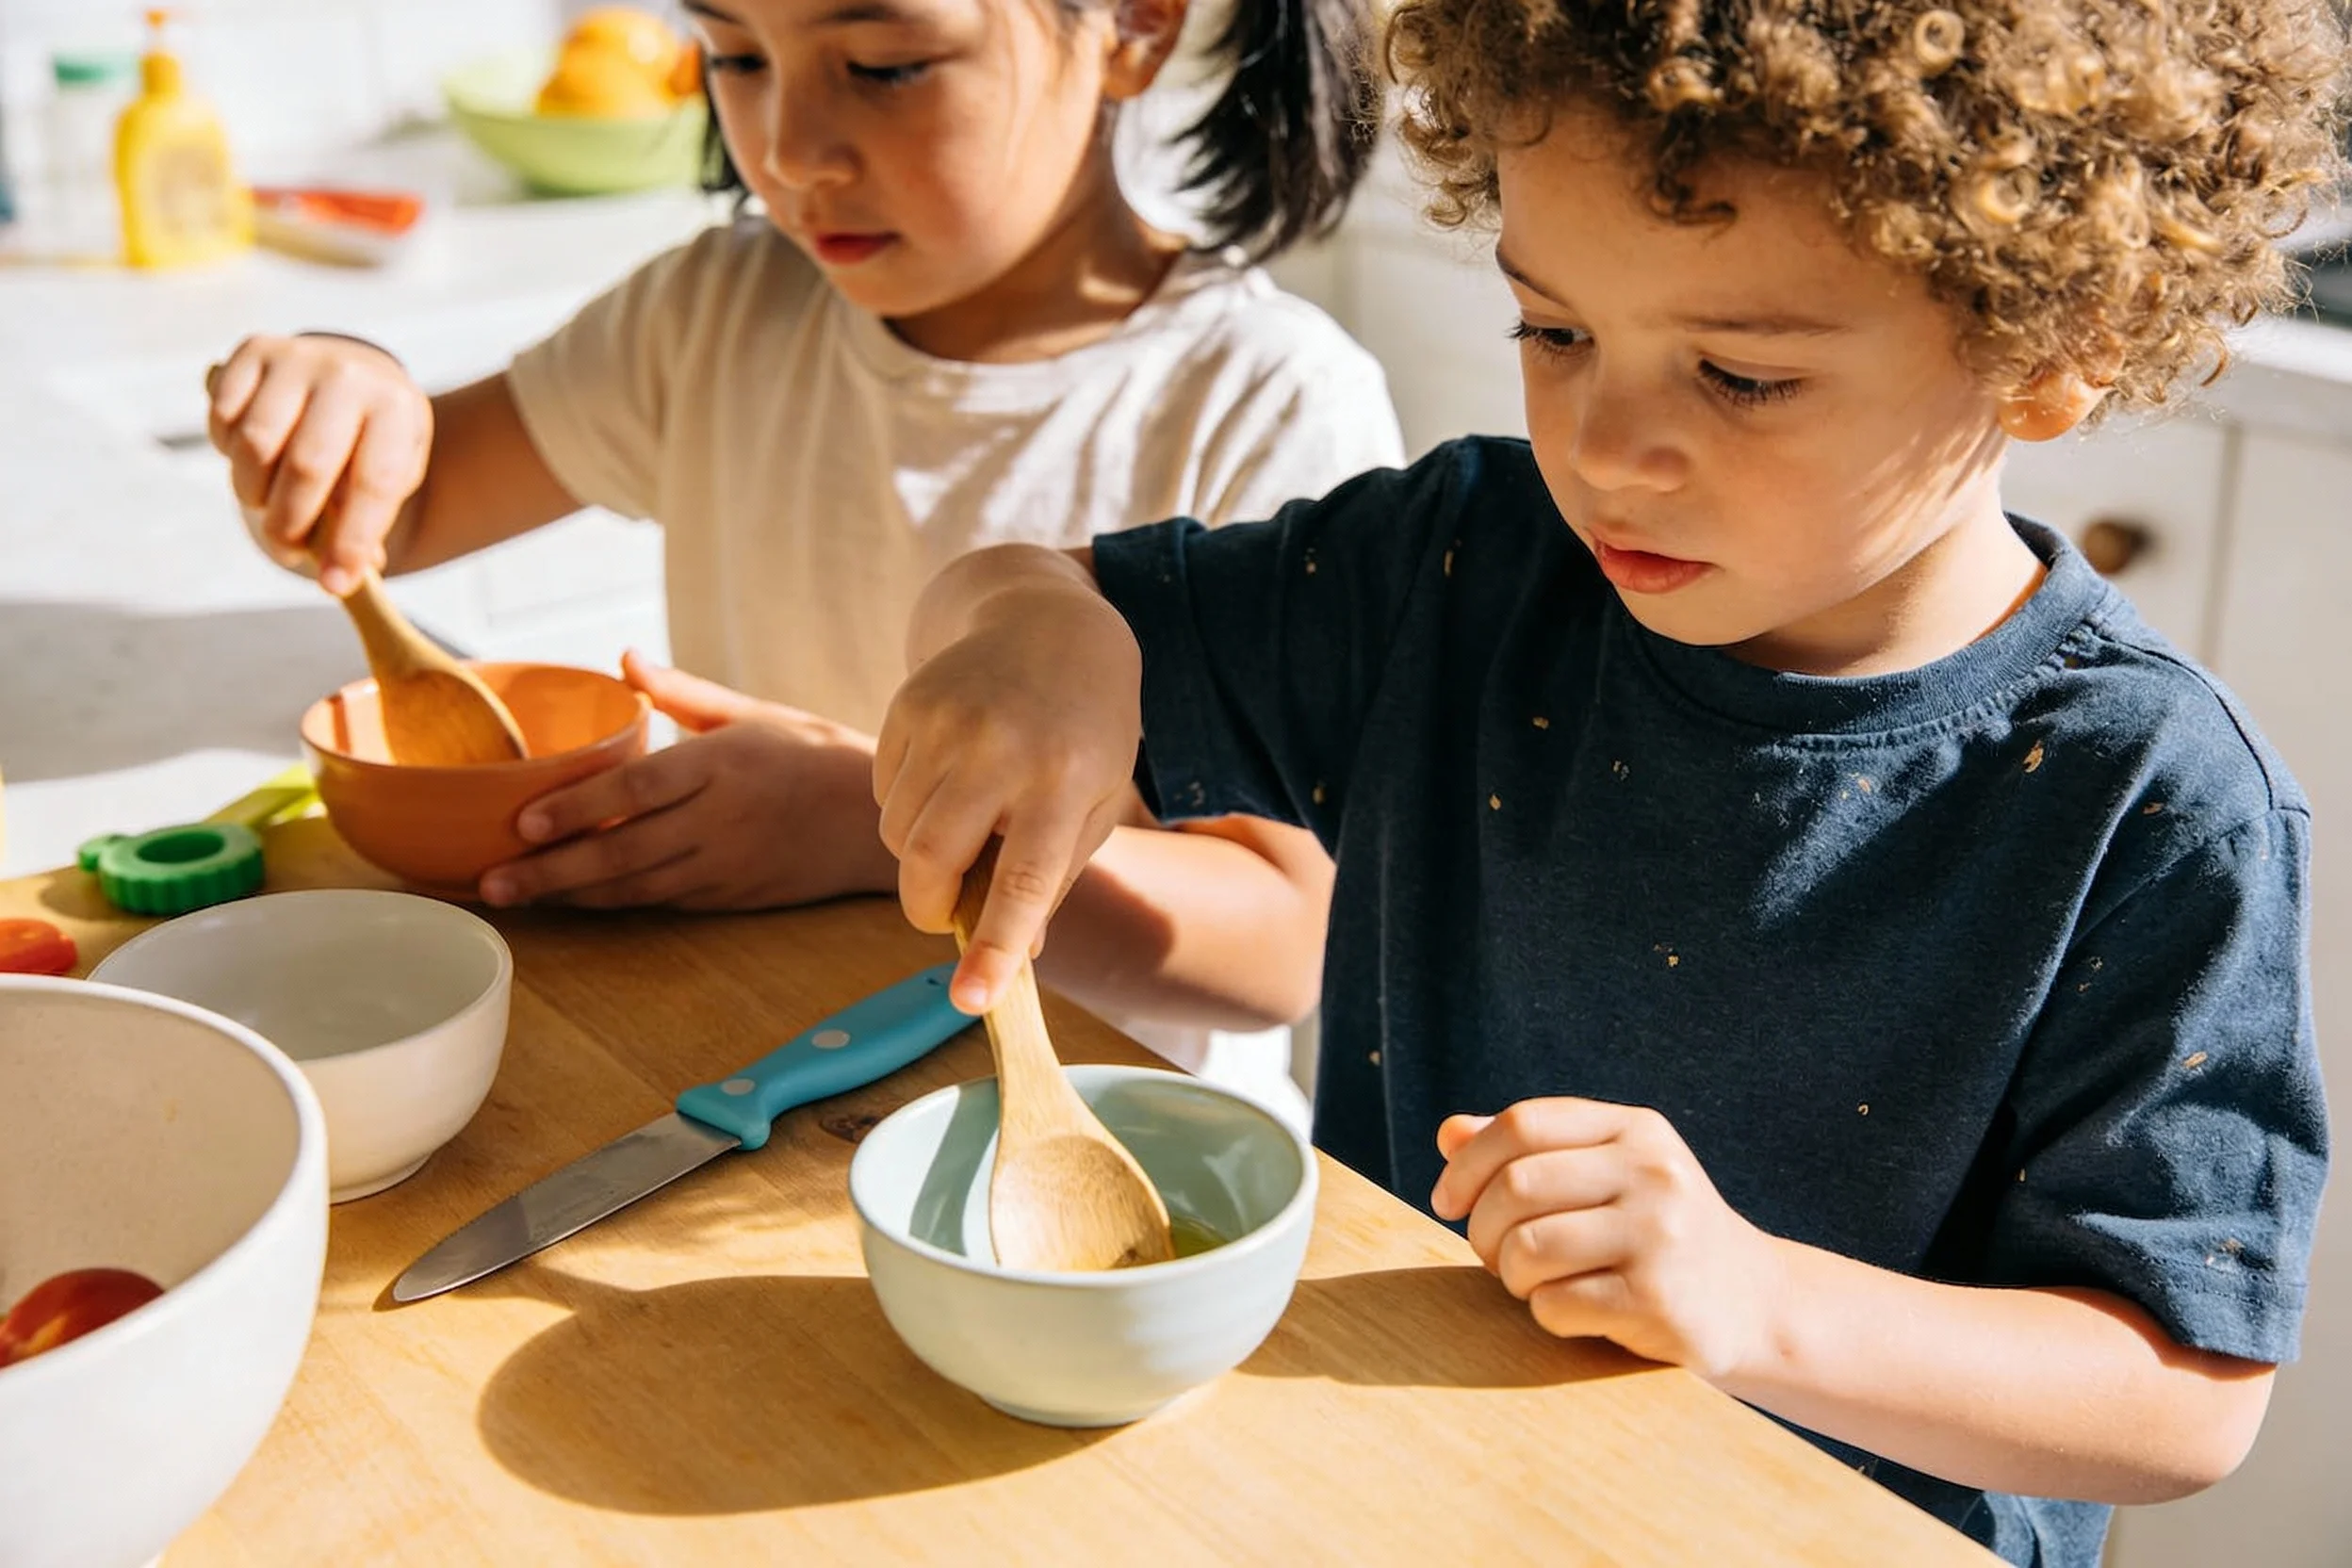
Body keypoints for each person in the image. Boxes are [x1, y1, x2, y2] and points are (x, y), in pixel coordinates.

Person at [870, 0, 2347, 1560]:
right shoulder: (1460, 565)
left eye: (1740, 374)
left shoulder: (2153, 796)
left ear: (2049, 347)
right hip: (1389, 1503)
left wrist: (1753, 1297)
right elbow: (1032, 598)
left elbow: (2181, 1396)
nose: (1607, 442)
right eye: (1554, 331)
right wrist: (1030, 636)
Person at [203, 0, 1404, 1113]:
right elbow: (400, 511)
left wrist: (865, 826)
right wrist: (338, 389)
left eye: (883, 68)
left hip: (1114, 1155)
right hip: (763, 1080)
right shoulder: (715, 313)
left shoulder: (1262, 402)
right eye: (735, 57)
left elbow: (1281, 945)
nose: (787, 150)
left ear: (1135, 26)